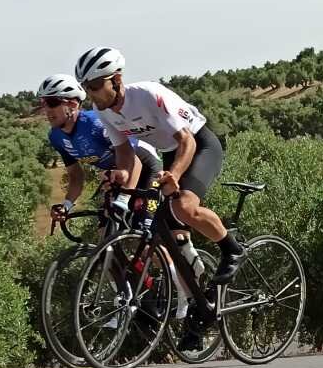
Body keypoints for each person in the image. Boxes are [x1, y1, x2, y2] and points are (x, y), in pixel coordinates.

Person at [74, 47, 243, 286]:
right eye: (85, 87)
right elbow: (124, 152)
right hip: (170, 152)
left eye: (95, 85)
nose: (91, 93)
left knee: (184, 205)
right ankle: (196, 289)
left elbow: (187, 141)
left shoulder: (147, 95)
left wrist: (174, 175)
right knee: (161, 226)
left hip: (199, 144)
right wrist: (121, 177)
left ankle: (232, 249)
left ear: (117, 79)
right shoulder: (102, 112)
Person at [39, 73, 161, 225]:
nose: (46, 109)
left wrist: (123, 199)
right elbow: (76, 176)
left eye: (52, 103)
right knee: (105, 228)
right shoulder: (56, 137)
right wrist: (66, 206)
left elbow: (135, 162)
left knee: (144, 227)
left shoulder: (95, 124)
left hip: (145, 166)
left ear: (73, 104)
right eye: (43, 103)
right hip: (119, 174)